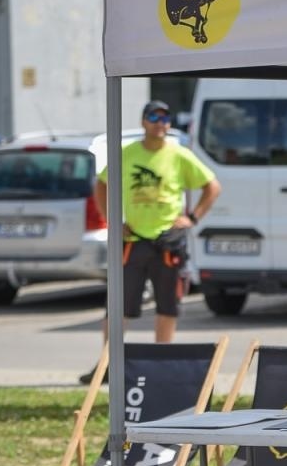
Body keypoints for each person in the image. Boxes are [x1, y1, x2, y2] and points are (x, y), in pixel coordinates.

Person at [85, 100, 221, 381]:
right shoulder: (127, 153)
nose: (160, 123)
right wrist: (112, 221)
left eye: (165, 117)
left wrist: (192, 218)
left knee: (167, 304)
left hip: (167, 240)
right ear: (144, 121)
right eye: (153, 117)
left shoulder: (178, 154)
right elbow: (101, 184)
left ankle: (161, 362)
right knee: (119, 305)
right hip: (133, 239)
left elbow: (212, 186)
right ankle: (109, 365)